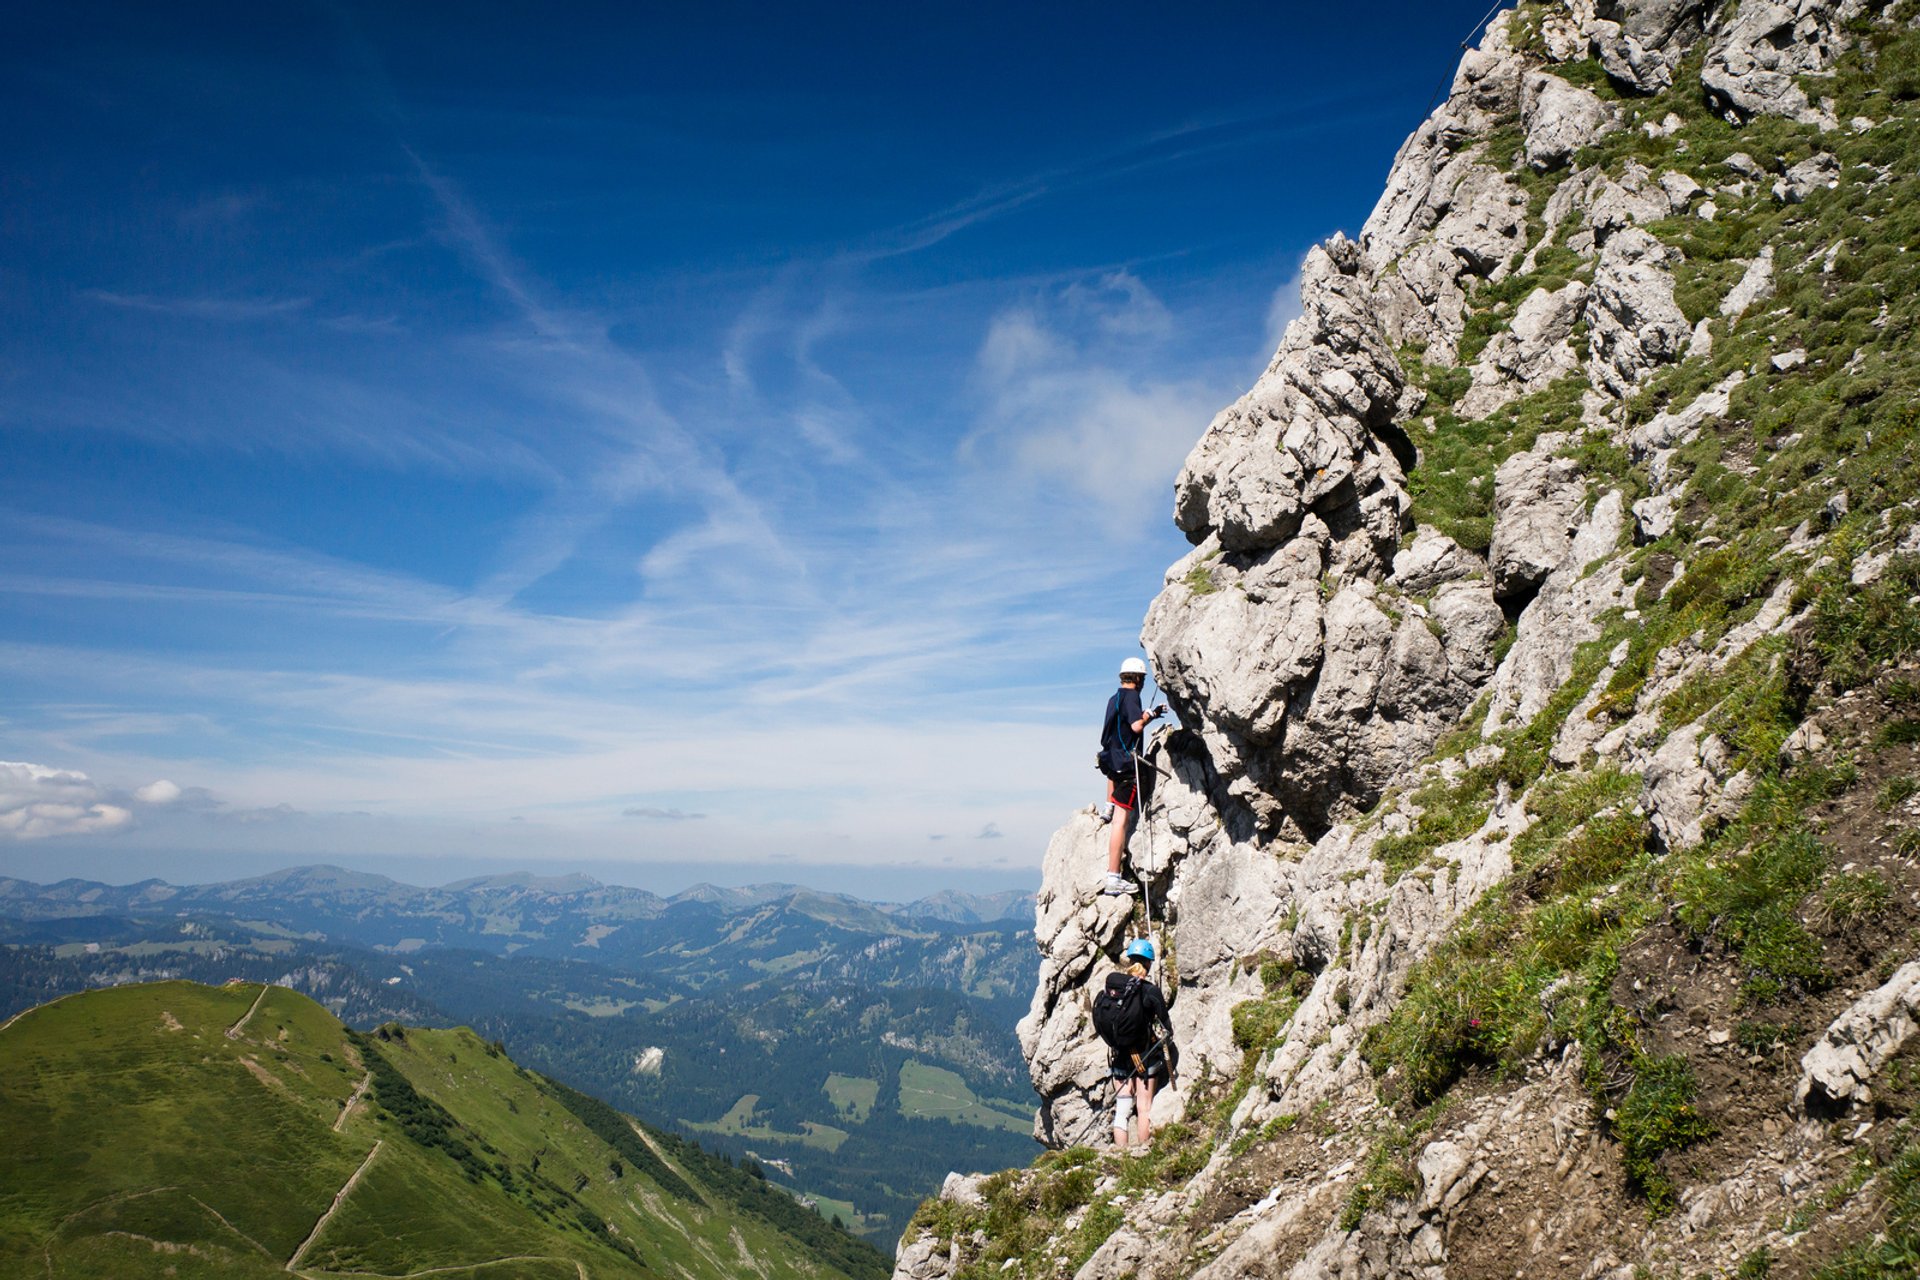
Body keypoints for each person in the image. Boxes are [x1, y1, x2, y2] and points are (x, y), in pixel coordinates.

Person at [1097, 657, 1165, 897]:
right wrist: (1152, 715)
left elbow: (1115, 731)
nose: (1143, 682)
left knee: (1113, 812)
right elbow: (1136, 726)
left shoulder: (1113, 698)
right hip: (1127, 766)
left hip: (1112, 761)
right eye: (1143, 679)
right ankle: (1113, 877)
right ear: (1137, 678)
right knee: (1121, 822)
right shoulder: (1132, 697)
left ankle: (1107, 806)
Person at [1104, 938, 1174, 1149]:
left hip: (1118, 1056)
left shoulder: (1116, 987)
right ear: (1149, 963)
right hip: (1144, 1056)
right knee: (1144, 1108)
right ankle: (1143, 1153)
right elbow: (1166, 1026)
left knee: (1122, 1109)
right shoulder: (1149, 990)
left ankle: (1121, 1154)